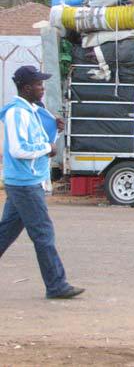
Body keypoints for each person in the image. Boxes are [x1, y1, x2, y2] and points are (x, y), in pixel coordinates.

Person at [0, 66, 84, 299]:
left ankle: (56, 285)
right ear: (27, 88)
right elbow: (19, 149)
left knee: (5, 233)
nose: (42, 88)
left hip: (26, 182)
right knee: (43, 234)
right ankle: (56, 285)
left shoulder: (32, 111)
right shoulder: (18, 113)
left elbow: (39, 138)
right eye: (39, 84)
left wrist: (52, 131)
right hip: (25, 184)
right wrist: (48, 148)